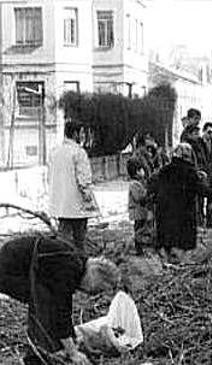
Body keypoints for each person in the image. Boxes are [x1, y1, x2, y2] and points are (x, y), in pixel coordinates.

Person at [0, 235, 120, 365]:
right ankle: (37, 356)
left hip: (21, 260)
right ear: (97, 277)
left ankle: (45, 351)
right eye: (98, 289)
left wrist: (71, 338)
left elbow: (65, 307)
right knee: (44, 309)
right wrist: (73, 352)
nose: (93, 293)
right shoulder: (69, 270)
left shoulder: (75, 263)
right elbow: (60, 312)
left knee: (47, 307)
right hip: (12, 268)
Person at [149, 143, 212, 262]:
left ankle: (167, 264)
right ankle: (179, 268)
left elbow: (153, 186)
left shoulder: (164, 170)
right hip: (182, 215)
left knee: (167, 243)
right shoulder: (189, 172)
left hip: (164, 213)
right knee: (181, 246)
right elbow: (201, 190)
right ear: (188, 156)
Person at [48, 121, 100, 253]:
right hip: (77, 206)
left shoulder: (55, 152)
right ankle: (80, 266)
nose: (83, 136)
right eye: (82, 133)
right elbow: (83, 181)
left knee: (62, 239)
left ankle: (60, 263)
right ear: (75, 133)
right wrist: (90, 202)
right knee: (79, 241)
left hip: (60, 205)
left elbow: (50, 177)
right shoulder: (79, 152)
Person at [127, 159, 152, 255]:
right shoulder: (134, 184)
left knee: (140, 229)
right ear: (137, 171)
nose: (143, 172)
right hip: (137, 212)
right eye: (142, 170)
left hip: (140, 212)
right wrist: (147, 193)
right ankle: (138, 249)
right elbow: (138, 198)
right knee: (139, 230)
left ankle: (140, 248)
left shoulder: (138, 183)